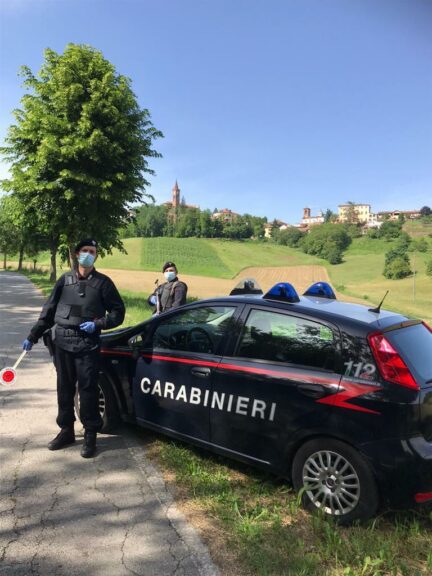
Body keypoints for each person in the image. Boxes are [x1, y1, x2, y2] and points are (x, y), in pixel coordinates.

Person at [22, 239, 125, 458]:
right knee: (64, 388)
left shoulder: (103, 283)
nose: (89, 254)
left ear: (96, 256)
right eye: (85, 251)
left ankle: (90, 435)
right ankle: (66, 430)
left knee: (87, 389)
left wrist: (98, 324)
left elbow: (118, 312)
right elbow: (48, 312)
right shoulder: (64, 280)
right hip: (62, 343)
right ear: (77, 254)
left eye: (93, 252)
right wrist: (33, 335)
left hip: (87, 345)